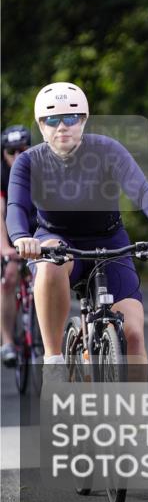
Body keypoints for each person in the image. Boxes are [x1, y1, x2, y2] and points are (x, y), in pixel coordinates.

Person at [5, 82, 148, 378]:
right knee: (49, 263)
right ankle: (53, 361)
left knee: (134, 336)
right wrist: (22, 238)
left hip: (108, 242)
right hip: (57, 241)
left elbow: (142, 192)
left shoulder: (107, 150)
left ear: (84, 120)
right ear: (40, 124)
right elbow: (17, 208)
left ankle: (137, 416)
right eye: (52, 119)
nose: (62, 126)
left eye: (71, 118)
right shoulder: (27, 162)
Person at [1, 124, 31, 367]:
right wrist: (6, 250)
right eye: (11, 152)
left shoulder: (42, 166)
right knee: (9, 278)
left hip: (38, 226)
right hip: (9, 231)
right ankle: (8, 342)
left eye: (22, 150)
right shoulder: (2, 174)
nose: (17, 157)